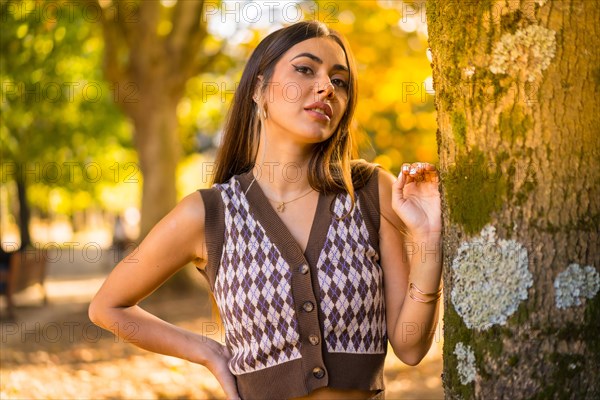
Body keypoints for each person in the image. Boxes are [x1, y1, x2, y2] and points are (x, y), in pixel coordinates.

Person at [89, 20, 442, 400]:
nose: (326, 87)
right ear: (259, 89)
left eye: (339, 81)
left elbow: (410, 348)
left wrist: (428, 238)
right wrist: (206, 351)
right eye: (305, 70)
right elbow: (108, 307)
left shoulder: (370, 192)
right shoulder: (210, 214)